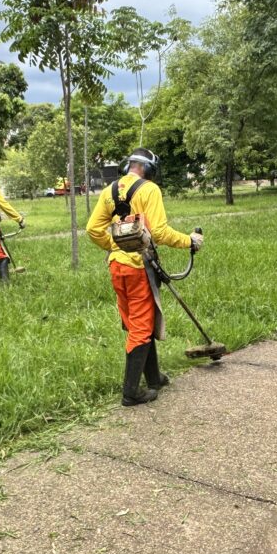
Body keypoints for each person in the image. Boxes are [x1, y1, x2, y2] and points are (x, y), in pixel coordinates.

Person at [86, 148, 203, 406]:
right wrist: (189, 241)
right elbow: (159, 232)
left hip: (117, 266)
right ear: (149, 168)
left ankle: (153, 378)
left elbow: (93, 229)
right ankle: (131, 392)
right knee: (141, 327)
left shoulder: (109, 191)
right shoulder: (150, 189)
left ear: (129, 165)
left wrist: (115, 246)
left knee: (139, 322)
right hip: (139, 268)